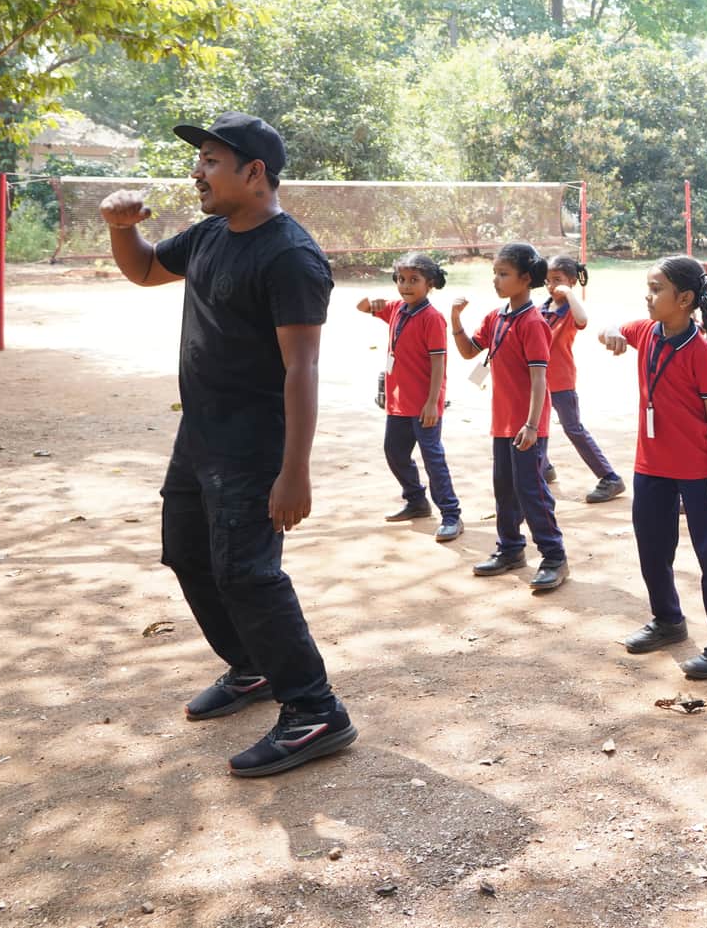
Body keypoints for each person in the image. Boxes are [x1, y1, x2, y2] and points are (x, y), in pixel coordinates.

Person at [98, 111, 356, 778]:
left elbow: (302, 367)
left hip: (254, 443)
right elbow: (148, 270)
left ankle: (314, 707)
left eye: (211, 161)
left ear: (254, 172)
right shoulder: (212, 233)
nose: (198, 173)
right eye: (200, 161)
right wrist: (122, 229)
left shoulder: (290, 255)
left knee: (248, 571)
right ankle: (250, 667)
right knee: (186, 550)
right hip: (201, 431)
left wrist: (293, 471)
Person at [599, 257, 707, 679]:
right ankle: (668, 619)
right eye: (647, 287)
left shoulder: (700, 352)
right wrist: (610, 333)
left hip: (698, 471)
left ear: (683, 300)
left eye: (656, 289)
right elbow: (610, 329)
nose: (648, 296)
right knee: (652, 548)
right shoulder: (647, 331)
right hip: (651, 466)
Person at [452, 242, 568, 591]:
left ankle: (554, 556)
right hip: (503, 423)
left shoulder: (533, 323)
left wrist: (532, 425)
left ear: (525, 278)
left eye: (503, 274)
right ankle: (510, 548)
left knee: (531, 490)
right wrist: (455, 320)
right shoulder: (497, 317)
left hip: (527, 425)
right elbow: (469, 351)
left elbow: (539, 378)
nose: (496, 280)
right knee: (504, 488)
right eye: (495, 274)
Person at [359, 253, 461, 541]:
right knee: (395, 452)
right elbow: (361, 306)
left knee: (433, 459)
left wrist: (433, 402)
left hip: (424, 405)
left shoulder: (432, 318)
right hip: (398, 404)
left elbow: (439, 363)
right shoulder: (396, 309)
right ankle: (416, 500)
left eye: (414, 280)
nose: (405, 286)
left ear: (429, 284)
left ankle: (451, 514)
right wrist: (373, 300)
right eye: (401, 279)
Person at [539, 255, 626, 503]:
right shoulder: (542, 309)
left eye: (557, 280)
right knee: (536, 424)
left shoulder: (569, 310)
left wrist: (568, 293)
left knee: (573, 429)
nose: (551, 285)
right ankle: (543, 468)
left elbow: (583, 319)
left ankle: (610, 477)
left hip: (561, 381)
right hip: (538, 383)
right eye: (548, 280)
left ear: (572, 281)